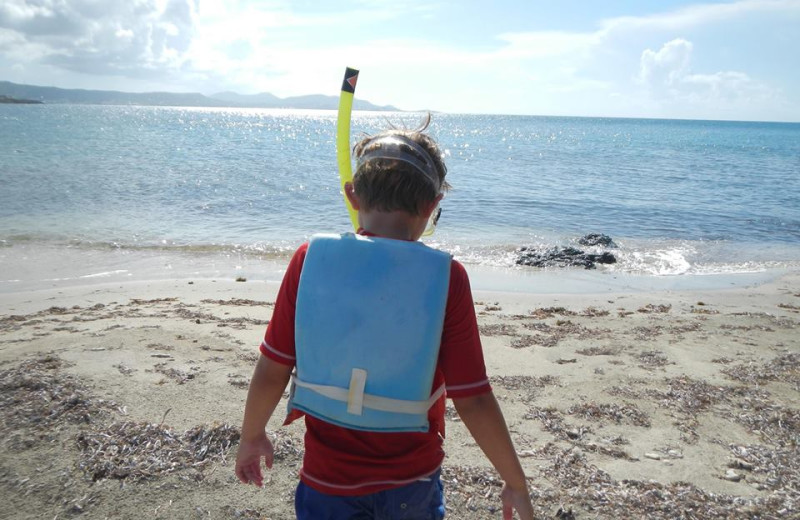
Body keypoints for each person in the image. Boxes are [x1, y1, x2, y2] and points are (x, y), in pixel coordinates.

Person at [235, 116, 535, 520]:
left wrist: (252, 435)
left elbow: (273, 366)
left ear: (352, 195)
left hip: (328, 480)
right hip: (411, 481)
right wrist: (515, 481)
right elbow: (474, 398)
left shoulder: (310, 260)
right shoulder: (448, 279)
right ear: (432, 207)